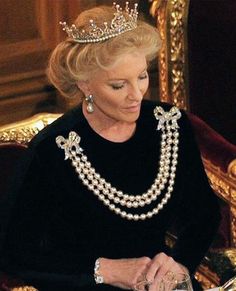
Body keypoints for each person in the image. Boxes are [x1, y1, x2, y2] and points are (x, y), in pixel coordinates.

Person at [0, 3, 221, 291]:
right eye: (118, 85)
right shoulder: (52, 152)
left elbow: (203, 216)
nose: (136, 95)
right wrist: (103, 269)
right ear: (85, 85)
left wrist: (177, 262)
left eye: (142, 76)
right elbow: (15, 255)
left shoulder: (170, 125)